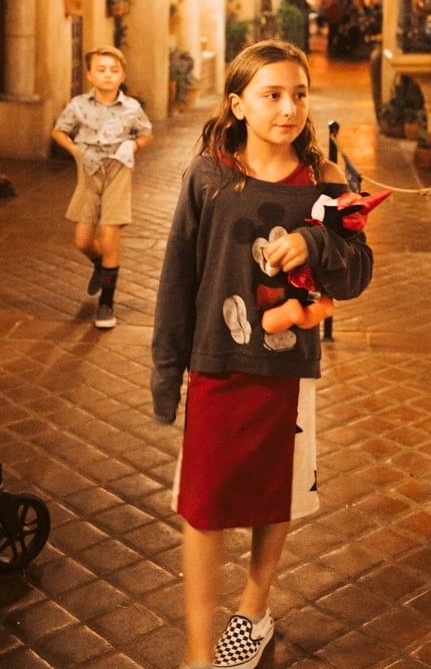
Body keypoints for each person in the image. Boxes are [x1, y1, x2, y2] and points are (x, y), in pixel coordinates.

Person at [151, 39, 374, 669]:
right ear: (237, 103)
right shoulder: (210, 177)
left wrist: (316, 243)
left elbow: (358, 271)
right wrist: (168, 372)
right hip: (217, 362)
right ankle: (198, 655)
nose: (288, 108)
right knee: (203, 503)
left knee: (276, 494)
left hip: (288, 365)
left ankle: (253, 609)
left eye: (298, 94)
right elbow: (177, 276)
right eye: (271, 94)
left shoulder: (327, 183)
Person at [51, 45, 153, 329]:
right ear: (89, 75)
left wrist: (132, 144)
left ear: (122, 75)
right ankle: (100, 263)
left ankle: (106, 303)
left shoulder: (132, 107)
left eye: (114, 70)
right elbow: (59, 131)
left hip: (118, 168)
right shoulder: (79, 105)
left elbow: (146, 135)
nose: (107, 75)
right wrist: (75, 151)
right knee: (83, 240)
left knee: (110, 234)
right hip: (88, 170)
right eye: (101, 69)